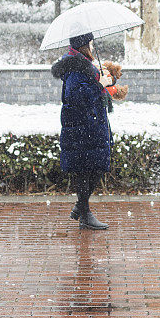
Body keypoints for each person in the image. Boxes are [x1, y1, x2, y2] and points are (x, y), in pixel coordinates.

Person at [51, 32, 114, 230]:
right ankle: (84, 212)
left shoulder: (82, 64)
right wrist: (99, 85)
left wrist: (101, 81)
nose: (93, 47)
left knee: (93, 168)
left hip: (89, 126)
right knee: (87, 170)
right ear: (84, 45)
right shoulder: (76, 67)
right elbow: (75, 96)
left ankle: (82, 207)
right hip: (83, 128)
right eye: (91, 44)